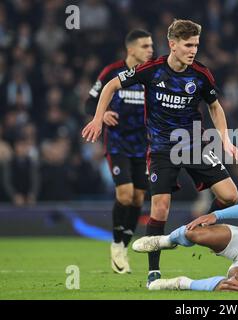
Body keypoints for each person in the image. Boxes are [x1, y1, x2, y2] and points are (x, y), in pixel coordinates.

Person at [82, 20, 238, 286]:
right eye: (188, 45)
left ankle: (202, 228)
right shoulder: (151, 70)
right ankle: (153, 272)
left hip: (193, 146)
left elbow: (215, 106)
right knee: (160, 208)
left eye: (196, 45)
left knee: (230, 195)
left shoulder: (201, 74)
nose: (193, 50)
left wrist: (225, 139)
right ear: (173, 44)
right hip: (161, 150)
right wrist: (98, 118)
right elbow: (111, 85)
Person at [84, 29, 153, 274]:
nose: (150, 50)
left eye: (151, 46)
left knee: (138, 199)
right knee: (125, 194)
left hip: (143, 146)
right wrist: (102, 114)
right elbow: (89, 102)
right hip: (118, 144)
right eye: (145, 46)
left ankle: (123, 247)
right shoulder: (112, 72)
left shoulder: (151, 74)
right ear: (131, 49)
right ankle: (116, 246)